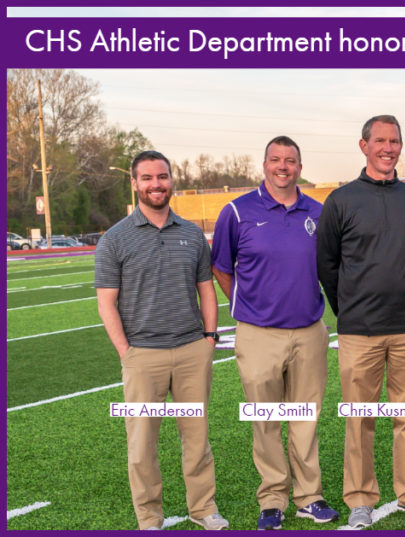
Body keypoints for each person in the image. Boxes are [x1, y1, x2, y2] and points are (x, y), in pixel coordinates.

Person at [95, 150, 229, 531]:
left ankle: (203, 509)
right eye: (148, 178)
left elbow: (206, 290)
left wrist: (208, 339)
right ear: (135, 183)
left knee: (197, 439)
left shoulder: (190, 233)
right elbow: (106, 303)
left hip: (191, 351)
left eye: (163, 176)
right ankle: (149, 517)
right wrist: (127, 352)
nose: (157, 184)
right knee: (141, 446)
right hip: (143, 354)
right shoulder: (115, 239)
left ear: (172, 180)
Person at [316, 115, 405, 529]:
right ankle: (361, 499)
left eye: (395, 141)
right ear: (363, 145)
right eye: (380, 140)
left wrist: (400, 292)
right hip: (358, 331)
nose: (389, 148)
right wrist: (351, 307)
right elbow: (327, 265)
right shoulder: (341, 200)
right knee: (360, 417)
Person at [210, 136, 337, 529]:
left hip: (309, 331)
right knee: (265, 420)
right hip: (258, 334)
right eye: (276, 160)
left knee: (305, 419)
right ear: (264, 164)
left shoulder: (318, 211)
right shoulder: (236, 210)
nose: (283, 167)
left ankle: (309, 496)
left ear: (300, 166)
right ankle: (272, 499)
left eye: (291, 160)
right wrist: (245, 308)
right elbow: (220, 266)